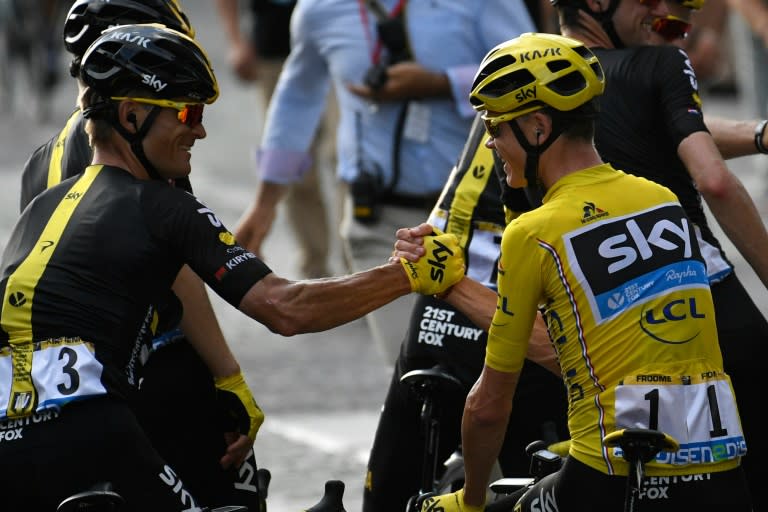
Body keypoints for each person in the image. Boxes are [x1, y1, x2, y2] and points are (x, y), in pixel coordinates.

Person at [0, 23, 464, 511]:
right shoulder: (163, 205)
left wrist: (225, 380)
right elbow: (286, 308)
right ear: (131, 115)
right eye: (188, 111)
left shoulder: (39, 209)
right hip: (90, 426)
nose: (198, 129)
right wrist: (408, 274)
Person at [405, 31, 751, 511]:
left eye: (497, 129)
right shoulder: (662, 201)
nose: (490, 144)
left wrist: (470, 499)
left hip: (613, 476)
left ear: (538, 128)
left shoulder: (534, 234)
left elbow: (487, 408)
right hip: (720, 475)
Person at [19, 1, 265, 509]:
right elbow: (178, 271)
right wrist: (227, 375)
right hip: (156, 368)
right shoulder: (138, 147)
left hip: (65, 391)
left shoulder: (40, 160)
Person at [233, 0, 537, 366]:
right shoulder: (320, 8)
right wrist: (264, 205)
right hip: (381, 224)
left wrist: (442, 84)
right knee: (413, 371)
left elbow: (532, 73)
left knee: (492, 372)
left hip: (482, 222)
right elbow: (298, 98)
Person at [549, 0, 768, 507]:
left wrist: (758, 135)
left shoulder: (527, 85)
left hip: (595, 322)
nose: (665, 14)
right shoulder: (661, 64)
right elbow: (712, 178)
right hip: (703, 300)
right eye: (649, 1)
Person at [362, 4, 568, 511]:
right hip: (462, 295)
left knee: (394, 488)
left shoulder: (535, 67)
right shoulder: (546, 80)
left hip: (456, 288)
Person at [215, 0, 336, 279]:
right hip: (274, 49)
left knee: (343, 154)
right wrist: (235, 40)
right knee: (298, 169)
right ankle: (317, 267)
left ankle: (361, 262)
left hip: (334, 49)